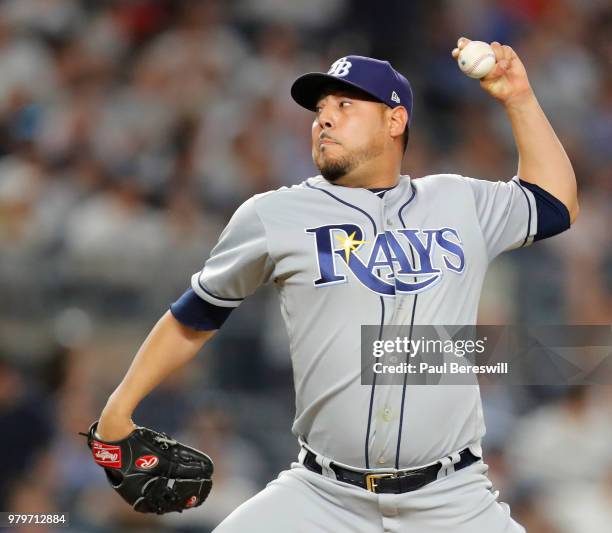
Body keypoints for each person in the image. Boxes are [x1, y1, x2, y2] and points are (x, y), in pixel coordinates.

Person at [95, 37, 578, 532]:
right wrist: (117, 412)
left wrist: (518, 98)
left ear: (395, 121)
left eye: (345, 104)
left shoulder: (459, 201)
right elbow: (195, 316)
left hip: (453, 500)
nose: (323, 118)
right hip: (323, 496)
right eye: (320, 108)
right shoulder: (274, 214)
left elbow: (556, 203)